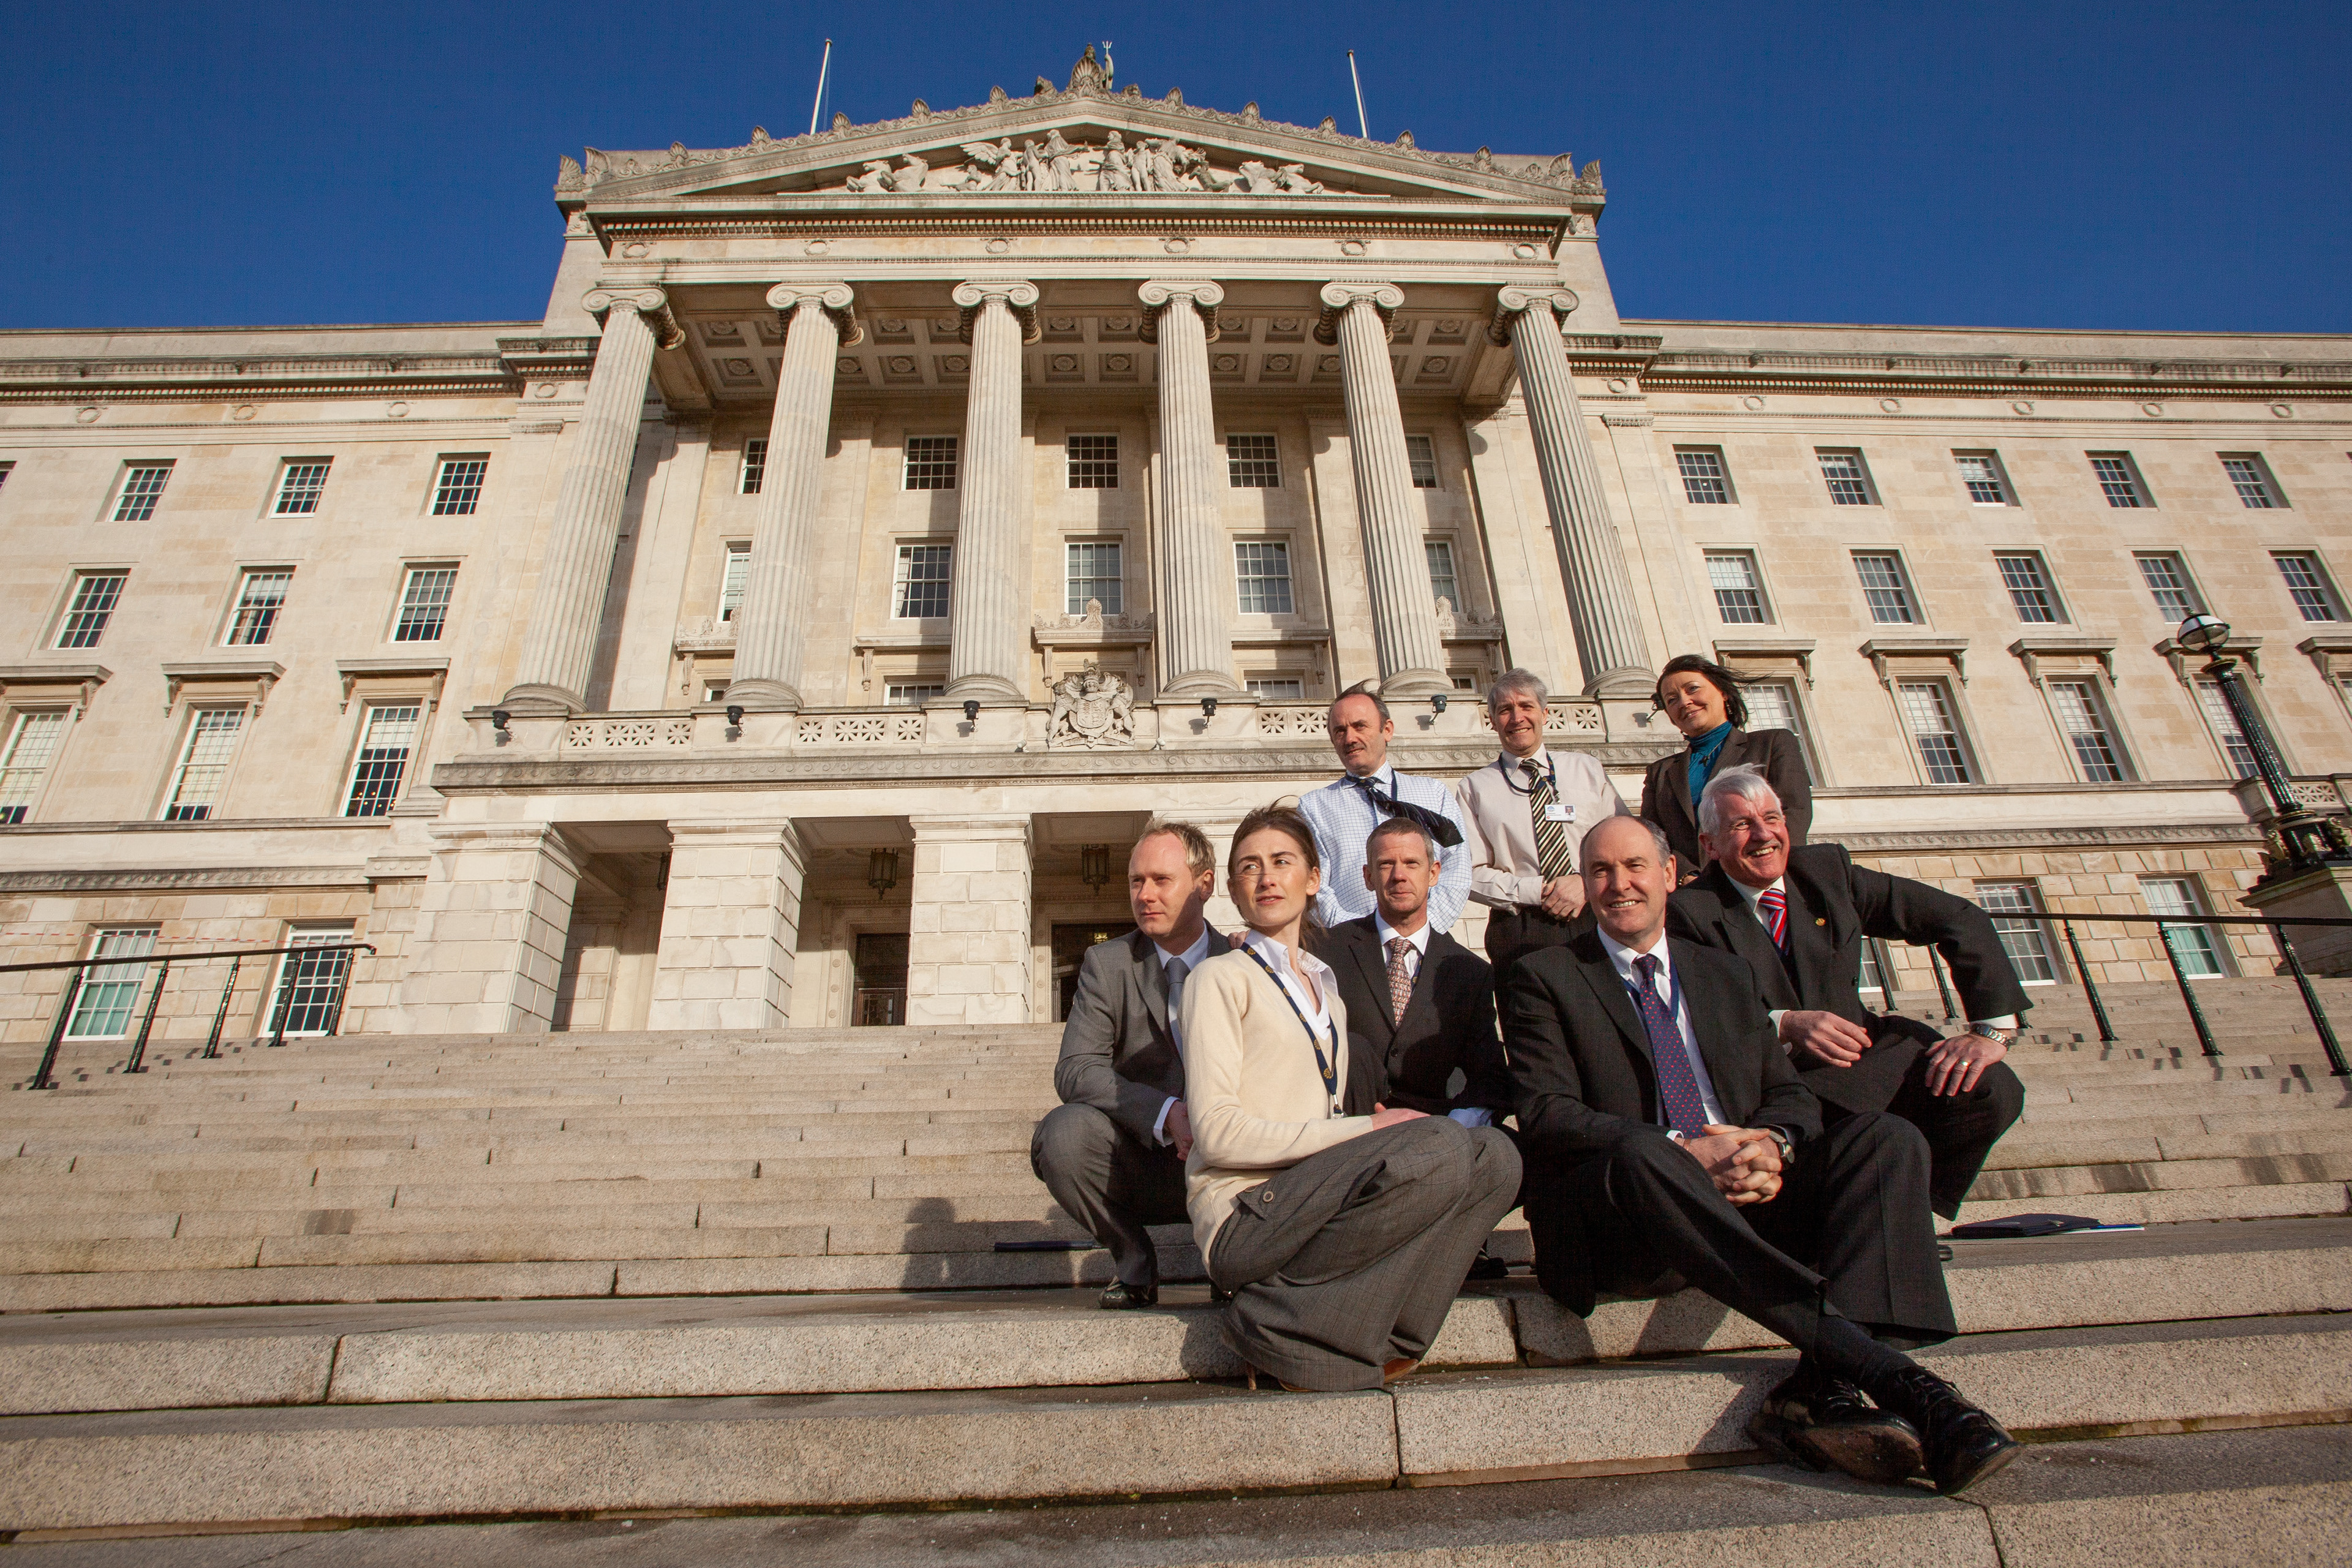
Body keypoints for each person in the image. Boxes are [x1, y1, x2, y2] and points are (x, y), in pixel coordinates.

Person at [1502, 815, 2019, 1496]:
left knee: (1886, 1138)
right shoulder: (1543, 975)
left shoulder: (1725, 973)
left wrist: (1769, 1144)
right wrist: (1687, 1148)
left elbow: (1790, 1096)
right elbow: (1545, 1112)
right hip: (1627, 1219)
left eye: (1634, 867)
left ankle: (1817, 1388)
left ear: (1671, 877)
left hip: (1743, 1203)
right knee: (1644, 1154)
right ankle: (1900, 1380)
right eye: (1599, 870)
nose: (1618, 884)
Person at [1180, 804, 1521, 1391]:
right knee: (1438, 1140)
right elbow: (1215, 1135)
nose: (1266, 878)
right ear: (1233, 890)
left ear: (1313, 879)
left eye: (1282, 862)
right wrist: (1367, 1132)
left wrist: (1369, 1134)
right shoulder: (1218, 978)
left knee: (1496, 1156)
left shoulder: (1327, 992)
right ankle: (1275, 1317)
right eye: (1249, 867)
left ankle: (1387, 1334)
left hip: (1310, 1196)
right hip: (1245, 1212)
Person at [1668, 766, 2028, 1219]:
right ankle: (1875, 1223)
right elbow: (1695, 1013)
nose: (1764, 835)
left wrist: (1990, 1032)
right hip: (1786, 1086)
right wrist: (1785, 1023)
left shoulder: (1825, 873)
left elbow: (1958, 917)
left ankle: (1909, 1218)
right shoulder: (1688, 912)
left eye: (1772, 819)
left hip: (1869, 1058)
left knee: (1988, 1088)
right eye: (1742, 825)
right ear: (1710, 845)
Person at [1031, 822, 1229, 1309]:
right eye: (1136, 882)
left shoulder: (1244, 959)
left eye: (1162, 880)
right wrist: (1166, 1115)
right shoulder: (1108, 963)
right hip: (1147, 1154)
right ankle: (1134, 1261)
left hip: (1233, 1156)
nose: (1145, 895)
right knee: (1063, 1135)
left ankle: (1236, 1264)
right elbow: (1076, 1068)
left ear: (1204, 885)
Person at [1324, 816, 1511, 1126]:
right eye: (1386, 865)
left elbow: (1488, 1074)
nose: (1399, 876)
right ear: (1368, 877)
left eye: (1412, 863)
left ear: (1434, 873)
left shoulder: (1471, 973)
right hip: (1350, 1133)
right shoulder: (1327, 951)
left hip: (1436, 1134)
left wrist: (1454, 1125)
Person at [1454, 668, 1630, 973]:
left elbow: (1624, 843)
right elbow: (1467, 873)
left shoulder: (1586, 769)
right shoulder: (1473, 788)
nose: (1517, 717)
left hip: (1596, 915)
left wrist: (1583, 882)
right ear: (1493, 721)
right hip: (1522, 926)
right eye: (1505, 710)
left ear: (1545, 714)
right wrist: (1537, 890)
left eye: (1526, 706)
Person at [1297, 687, 1472, 933]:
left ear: (1387, 730)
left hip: (1426, 942)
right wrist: (1359, 936)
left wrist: (1422, 929)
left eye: (1360, 726)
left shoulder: (1434, 794)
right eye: (1340, 731)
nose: (1350, 739)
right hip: (1352, 949)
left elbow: (1457, 869)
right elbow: (1314, 885)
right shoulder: (1313, 807)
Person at [1639, 655, 1812, 879]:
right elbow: (1654, 837)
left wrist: (1765, 867)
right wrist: (1685, 874)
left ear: (1723, 693)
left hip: (1764, 879)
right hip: (1697, 890)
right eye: (1672, 700)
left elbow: (1794, 812)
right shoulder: (1659, 773)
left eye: (1692, 689)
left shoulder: (1772, 744)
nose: (1684, 702)